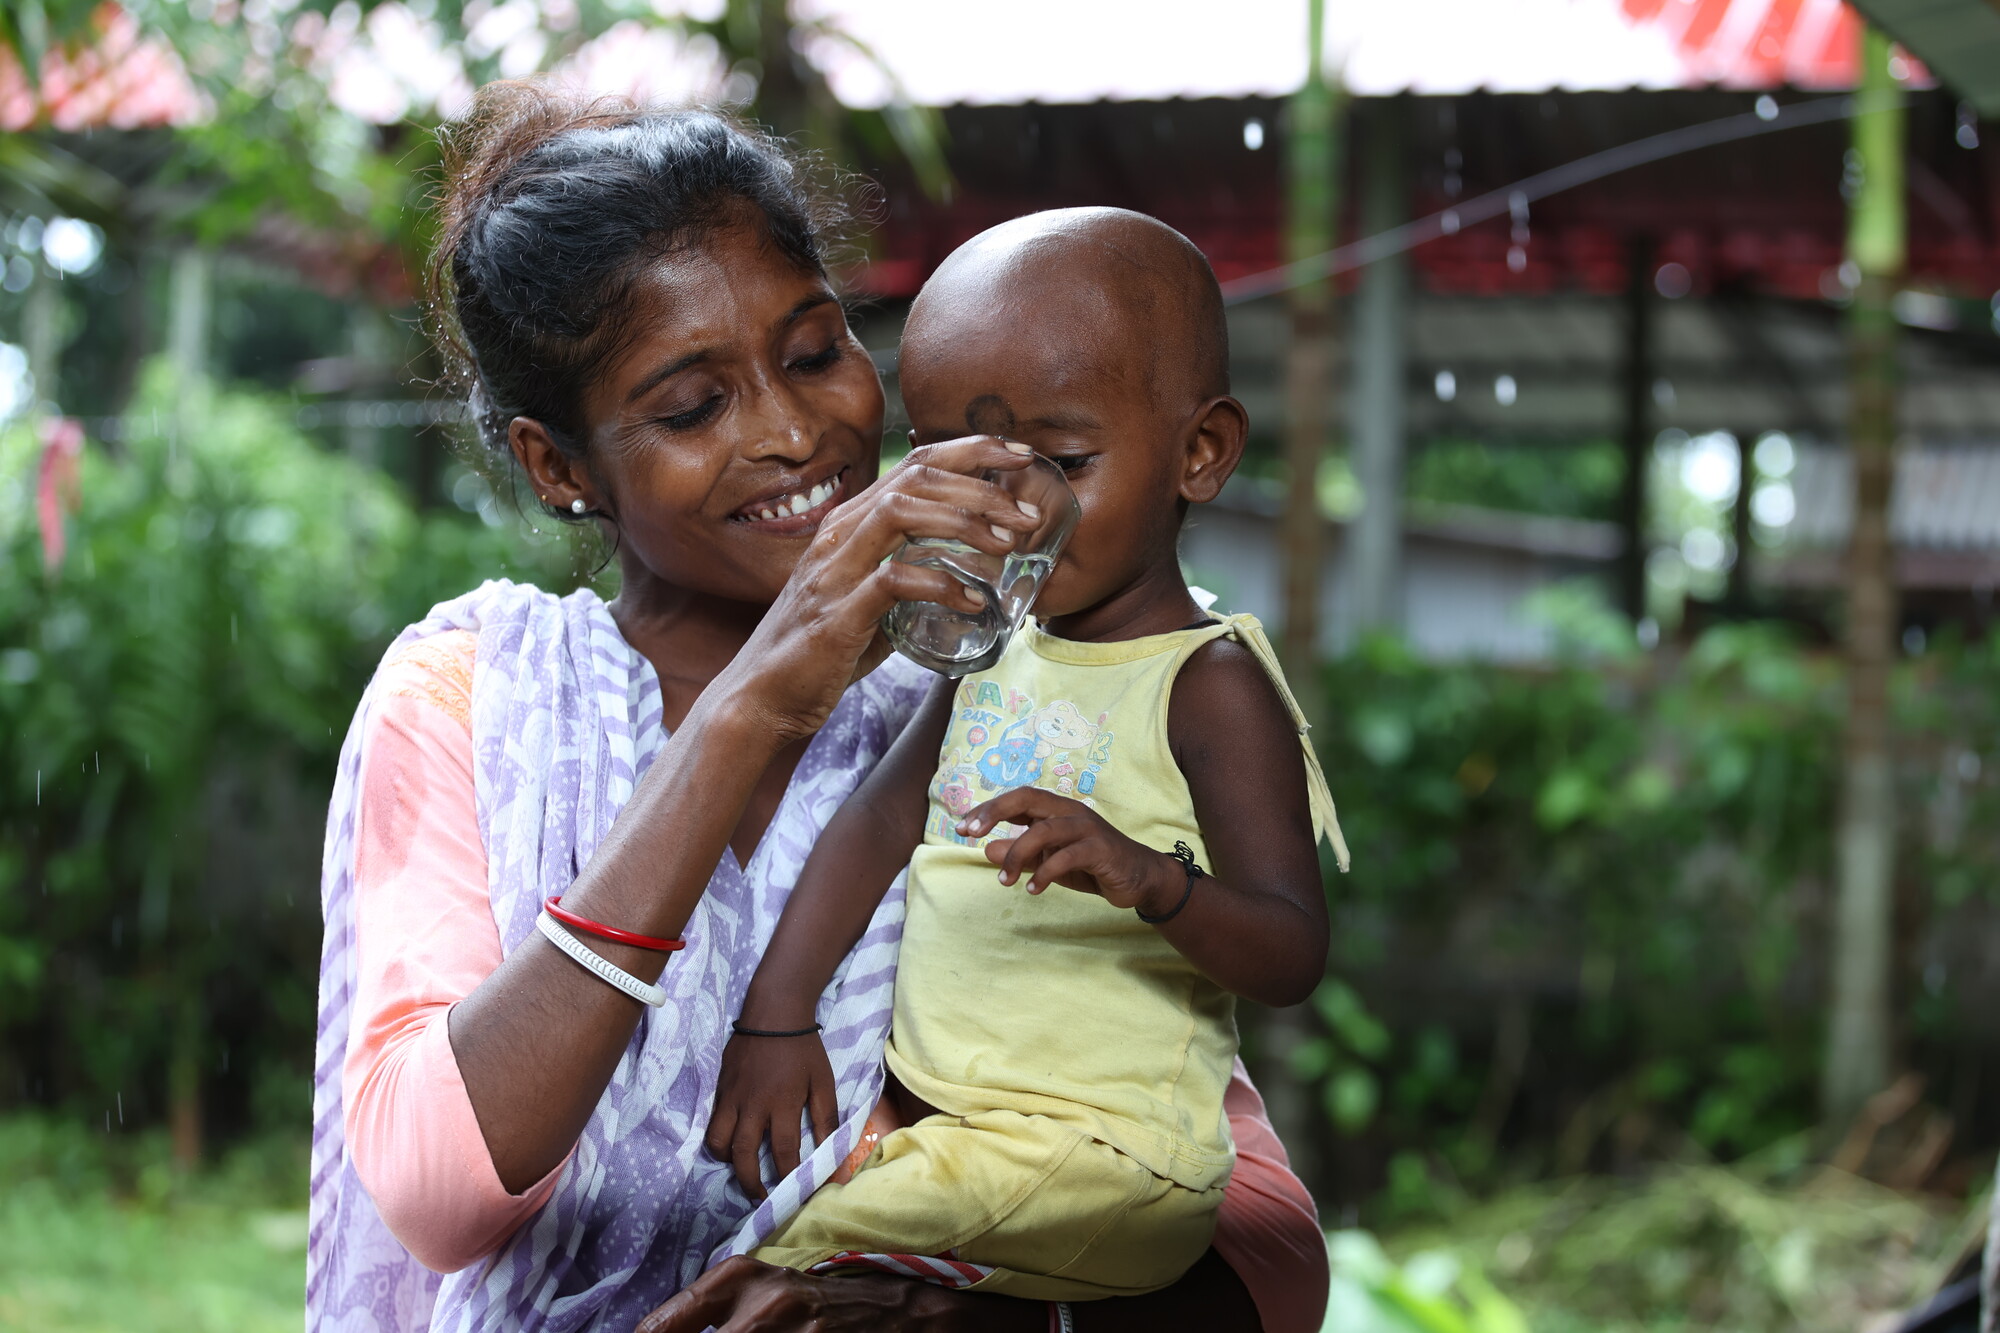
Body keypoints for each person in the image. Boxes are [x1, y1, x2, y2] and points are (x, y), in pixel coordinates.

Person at [308, 86, 1331, 1333]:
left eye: (812, 353)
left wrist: (952, 1311)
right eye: (691, 408)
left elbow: (1264, 1245)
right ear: (558, 465)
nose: (795, 433)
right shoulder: (475, 697)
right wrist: (755, 702)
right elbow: (437, 1191)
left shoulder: (1015, 678)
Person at [697, 208, 1348, 1312]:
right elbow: (872, 827)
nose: (1009, 514)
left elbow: (1290, 951)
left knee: (781, 1266)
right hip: (950, 1131)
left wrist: (1152, 880)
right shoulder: (988, 648)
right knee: (815, 1229)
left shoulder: (1207, 684)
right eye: (959, 468)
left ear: (1200, 452)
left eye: (1059, 462)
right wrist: (777, 1014)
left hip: (1113, 1160)